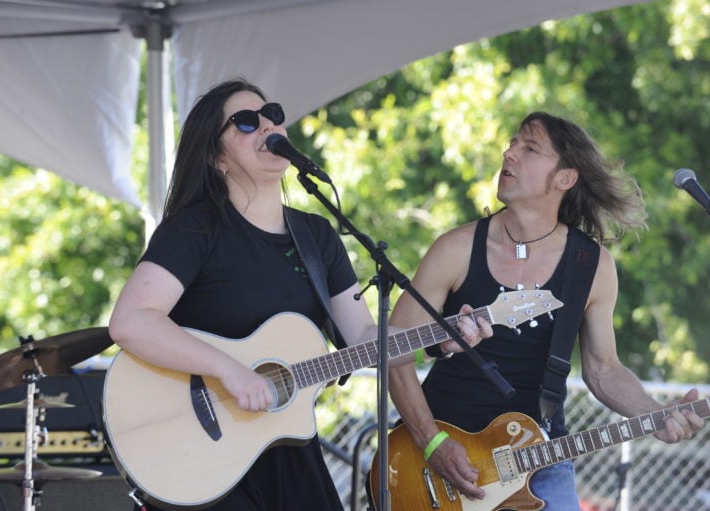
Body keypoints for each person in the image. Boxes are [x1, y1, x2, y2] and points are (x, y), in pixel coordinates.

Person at [386, 112, 705, 510]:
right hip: (436, 460)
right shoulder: (455, 249)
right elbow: (391, 351)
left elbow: (603, 370)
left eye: (529, 148)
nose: (510, 153)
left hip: (540, 460)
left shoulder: (592, 264)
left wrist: (657, 414)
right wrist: (431, 440)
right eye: (513, 143)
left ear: (565, 178)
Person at [106, 78, 385, 510]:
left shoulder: (316, 236)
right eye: (246, 122)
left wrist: (443, 336)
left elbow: (364, 335)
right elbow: (131, 320)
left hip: (284, 446)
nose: (267, 125)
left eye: (272, 114)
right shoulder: (195, 230)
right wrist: (230, 370)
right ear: (217, 156)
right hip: (201, 452)